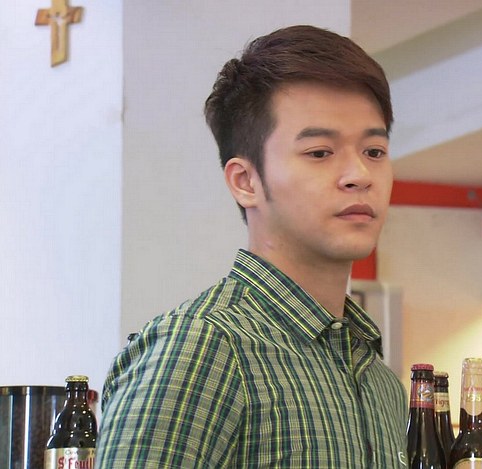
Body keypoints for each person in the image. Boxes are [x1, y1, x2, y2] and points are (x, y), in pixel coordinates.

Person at [96, 25, 407, 468]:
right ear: (245, 181)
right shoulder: (203, 346)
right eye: (320, 152)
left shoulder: (379, 380)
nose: (359, 175)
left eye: (374, 151)